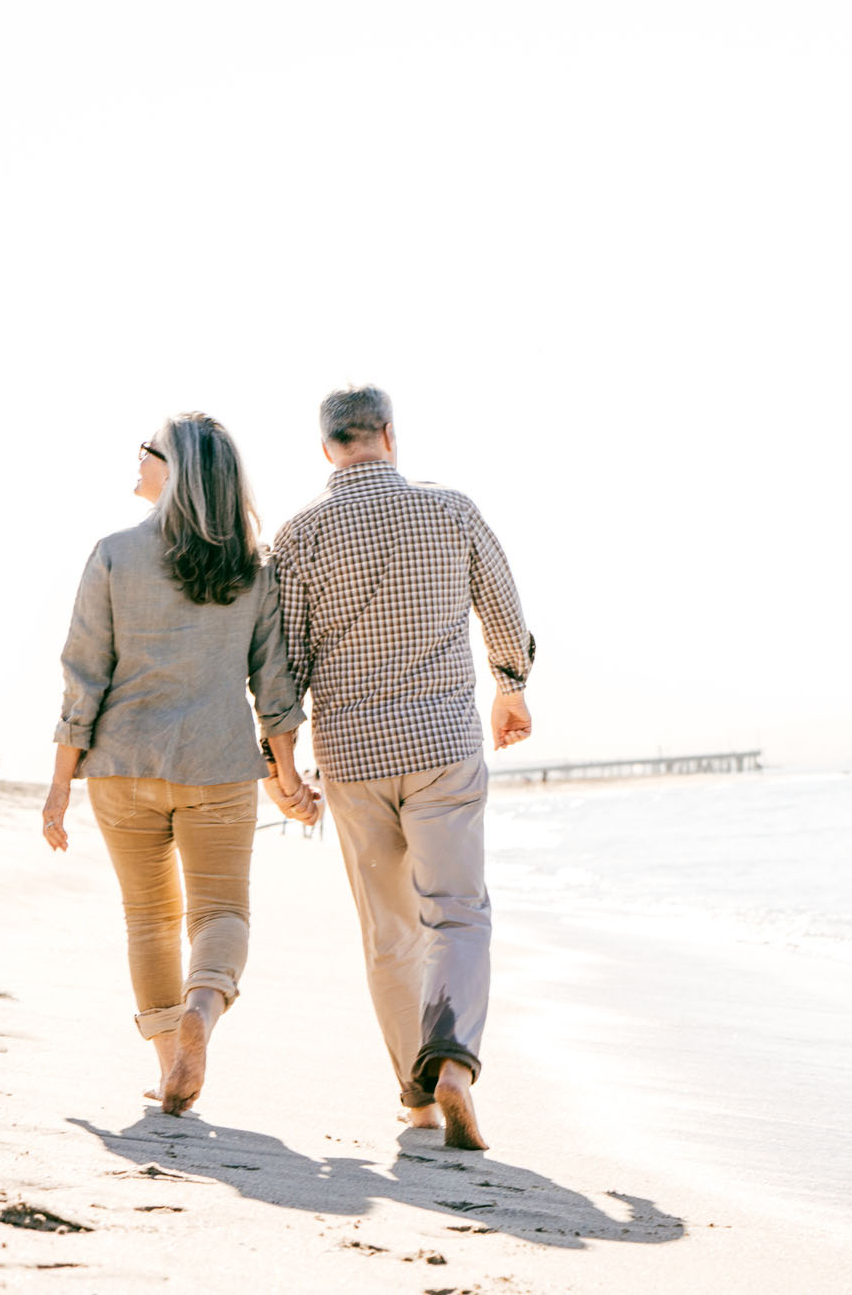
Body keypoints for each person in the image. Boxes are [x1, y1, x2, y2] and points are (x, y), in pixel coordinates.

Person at [271, 384, 534, 1150]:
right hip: (442, 746)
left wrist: (281, 767)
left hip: (351, 757)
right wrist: (510, 687)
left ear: (327, 448)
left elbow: (280, 665)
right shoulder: (450, 509)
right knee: (456, 910)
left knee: (388, 931)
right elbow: (503, 606)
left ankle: (416, 1099)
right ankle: (453, 1060)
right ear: (390, 434)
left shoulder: (298, 537)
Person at [41, 413, 321, 1116]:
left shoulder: (111, 554)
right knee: (221, 911)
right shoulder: (253, 568)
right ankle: (204, 1005)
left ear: (177, 469)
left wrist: (56, 788)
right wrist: (287, 777)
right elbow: (274, 686)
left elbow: (84, 678)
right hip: (220, 764)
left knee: (148, 918)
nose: (136, 461)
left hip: (121, 763)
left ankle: (171, 1061)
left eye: (147, 451)